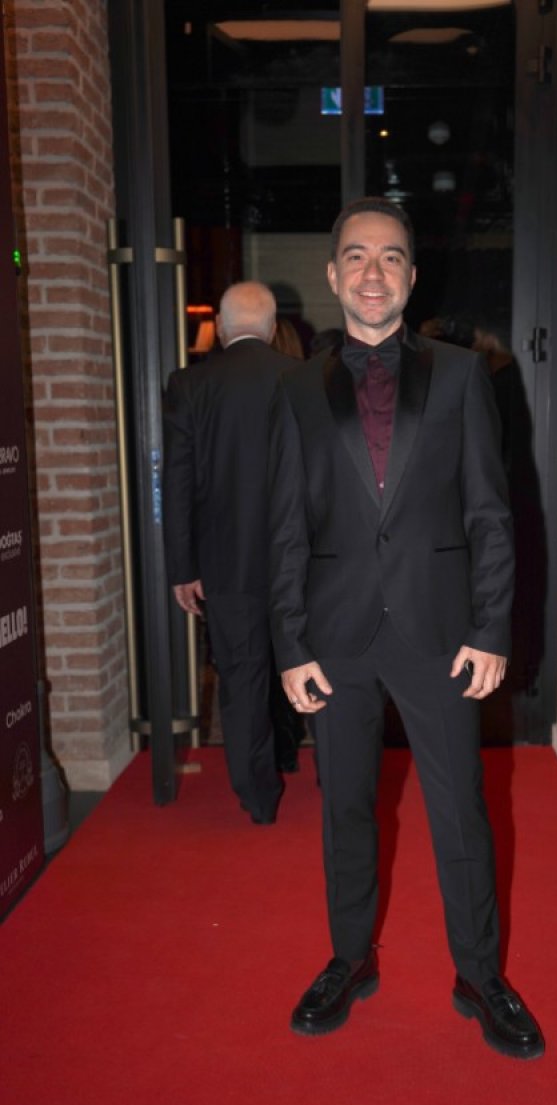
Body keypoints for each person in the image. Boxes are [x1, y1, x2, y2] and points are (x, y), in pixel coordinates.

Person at [268, 197, 544, 1060]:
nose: (373, 272)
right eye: (357, 255)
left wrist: (492, 628)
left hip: (441, 632)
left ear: (412, 275)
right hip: (335, 636)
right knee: (346, 809)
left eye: (390, 257)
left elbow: (491, 515)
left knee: (461, 811)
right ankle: (349, 959)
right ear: (333, 273)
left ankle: (480, 976)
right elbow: (284, 525)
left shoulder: (463, 376)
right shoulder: (297, 388)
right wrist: (290, 643)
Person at [163, 281, 296, 825]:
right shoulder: (304, 379)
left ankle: (258, 797)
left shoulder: (190, 384)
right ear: (272, 328)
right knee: (313, 665)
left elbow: (177, 483)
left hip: (225, 563)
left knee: (242, 678)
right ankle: (329, 776)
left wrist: (182, 567)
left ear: (219, 326)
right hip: (302, 562)